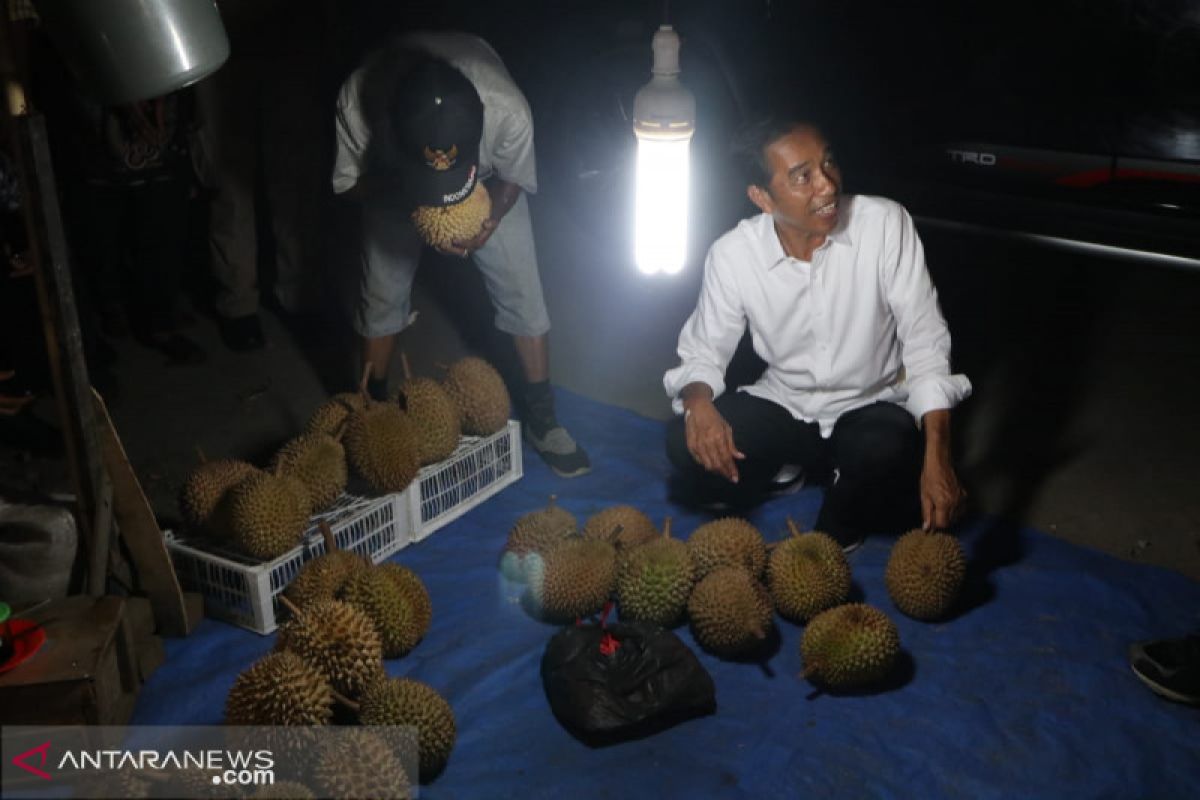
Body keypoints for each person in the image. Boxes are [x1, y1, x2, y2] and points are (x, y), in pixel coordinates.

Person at [663, 117, 971, 551]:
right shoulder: (733, 254)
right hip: (787, 404)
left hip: (868, 406)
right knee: (682, 439)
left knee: (887, 448)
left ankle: (841, 517)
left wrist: (939, 455)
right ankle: (789, 469)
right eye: (802, 177)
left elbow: (925, 340)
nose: (826, 185)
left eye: (828, 164)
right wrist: (698, 405)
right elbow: (703, 351)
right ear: (762, 198)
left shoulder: (884, 224)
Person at [332, 31, 590, 478]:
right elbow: (349, 183)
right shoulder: (359, 102)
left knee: (524, 292)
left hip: (486, 186)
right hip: (394, 188)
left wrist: (491, 219)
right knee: (381, 294)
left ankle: (543, 419)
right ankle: (370, 417)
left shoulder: (508, 112)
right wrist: (409, 200)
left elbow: (513, 177)